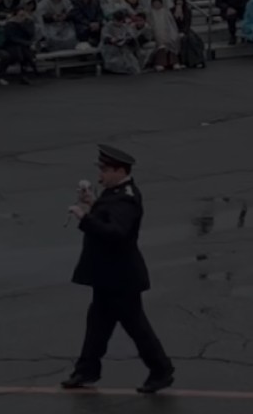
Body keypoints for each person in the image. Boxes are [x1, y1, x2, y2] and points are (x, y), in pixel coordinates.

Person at [62, 145, 174, 394]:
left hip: (121, 278)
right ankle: (86, 370)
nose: (100, 174)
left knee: (136, 327)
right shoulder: (114, 193)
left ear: (120, 171)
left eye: (105, 169)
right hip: (108, 276)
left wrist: (84, 217)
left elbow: (116, 233)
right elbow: (108, 215)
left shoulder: (126, 198)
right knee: (97, 325)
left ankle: (161, 370)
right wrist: (93, 203)